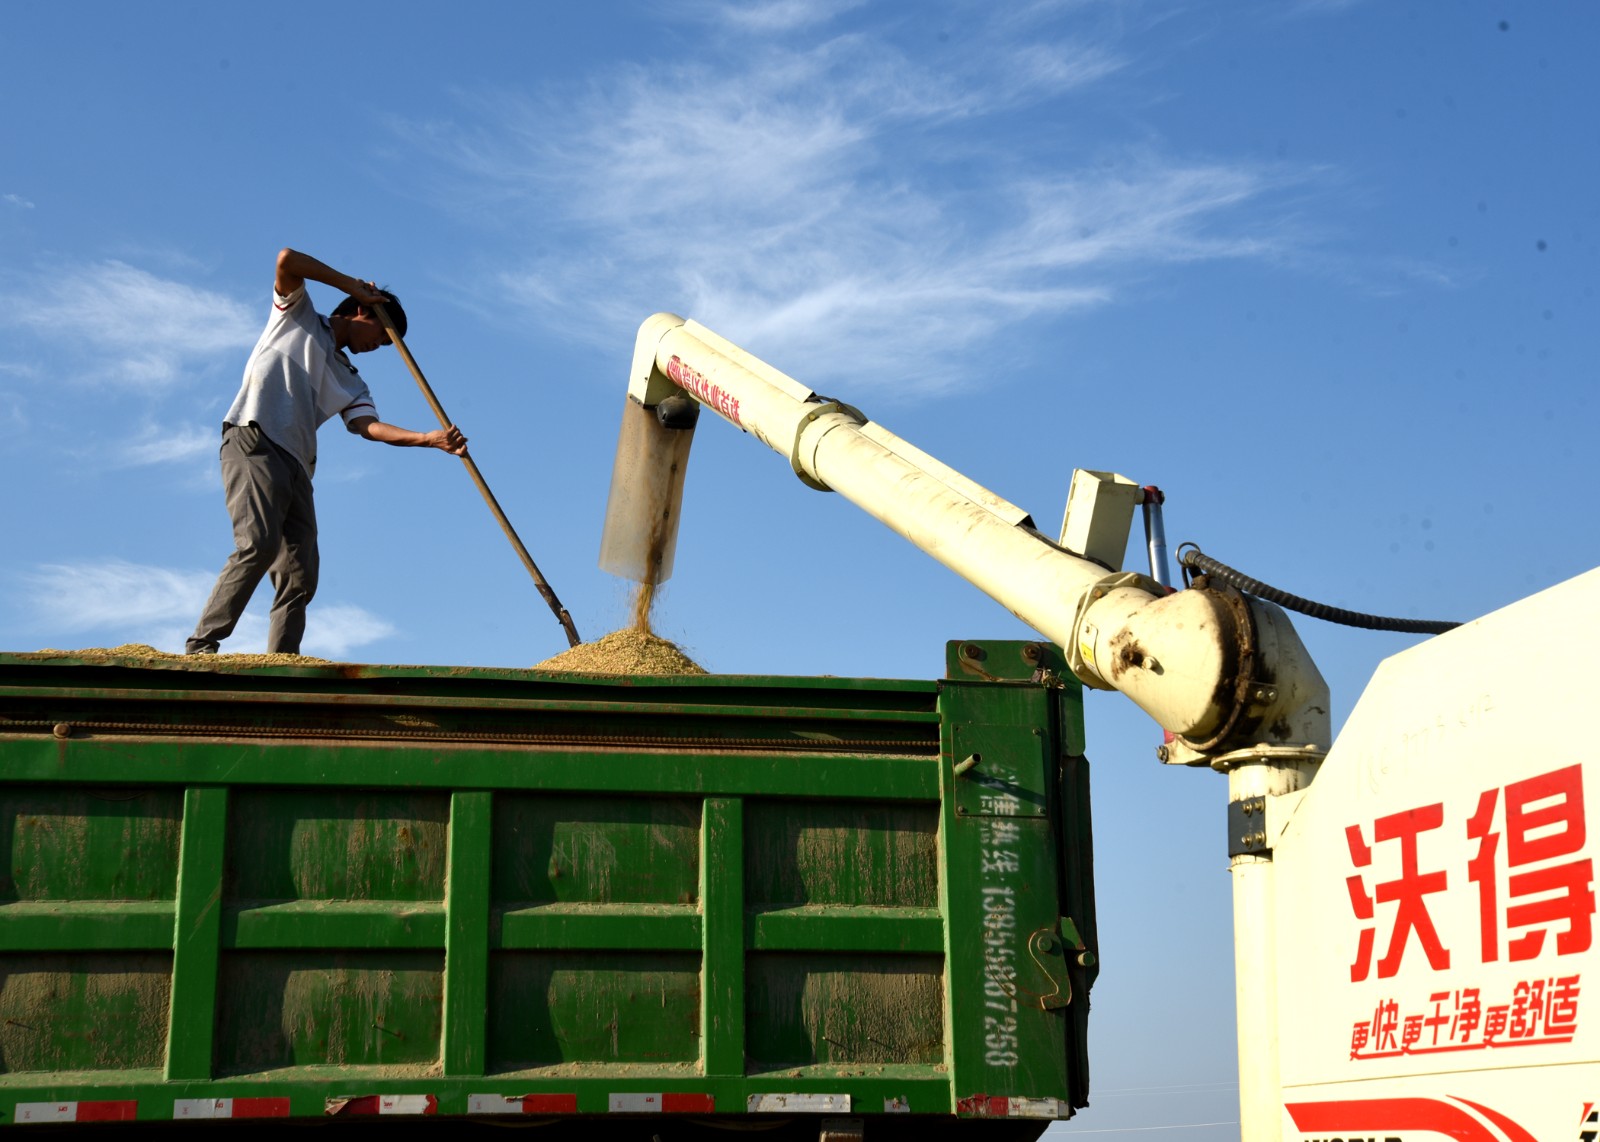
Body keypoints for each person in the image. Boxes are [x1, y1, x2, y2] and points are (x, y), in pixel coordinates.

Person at [186, 248, 467, 656]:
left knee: (300, 575)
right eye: (382, 337)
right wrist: (349, 283)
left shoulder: (350, 379)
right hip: (255, 440)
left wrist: (428, 438)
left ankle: (282, 661)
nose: (379, 347)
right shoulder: (297, 315)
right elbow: (286, 260)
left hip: (298, 465)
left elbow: (366, 426)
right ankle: (202, 644)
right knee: (259, 543)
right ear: (361, 312)